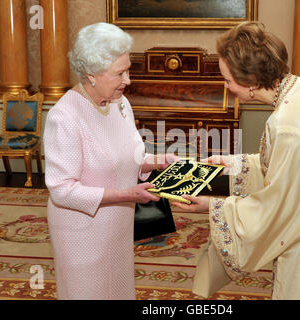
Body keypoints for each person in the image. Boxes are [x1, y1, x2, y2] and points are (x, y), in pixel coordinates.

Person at [173, 21, 300, 299]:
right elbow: (292, 172)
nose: (226, 87)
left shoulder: (287, 124)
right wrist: (233, 165)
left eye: (227, 79)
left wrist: (213, 207)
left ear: (250, 82)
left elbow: (279, 206)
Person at [43, 22, 177, 299]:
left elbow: (130, 157)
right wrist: (126, 194)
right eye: (120, 73)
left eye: (128, 70)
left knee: (118, 290)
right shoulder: (64, 117)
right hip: (81, 231)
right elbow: (62, 189)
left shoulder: (120, 103)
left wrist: (158, 161)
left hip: (118, 223)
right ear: (91, 74)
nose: (128, 80)